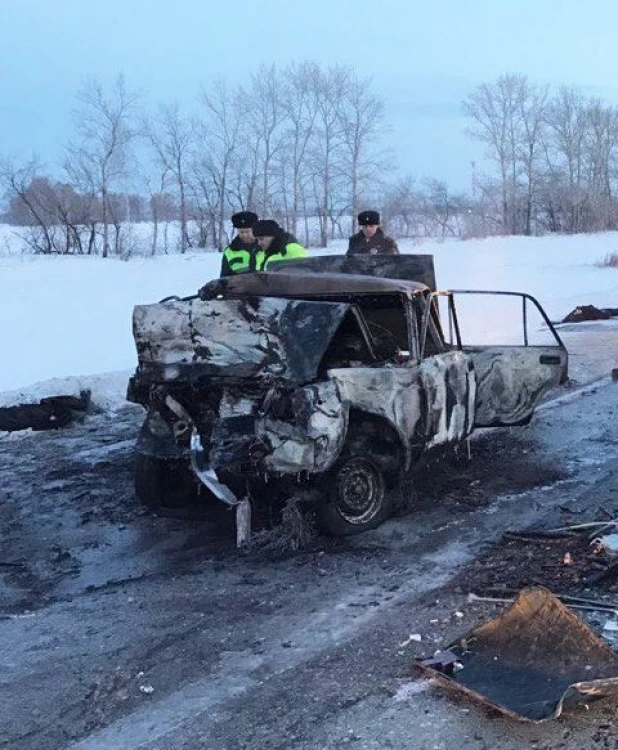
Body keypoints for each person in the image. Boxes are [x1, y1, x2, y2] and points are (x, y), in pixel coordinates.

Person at [220, 211, 260, 277]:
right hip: (240, 287)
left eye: (248, 231)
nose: (245, 235)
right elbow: (224, 279)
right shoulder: (229, 252)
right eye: (241, 232)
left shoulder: (268, 247)